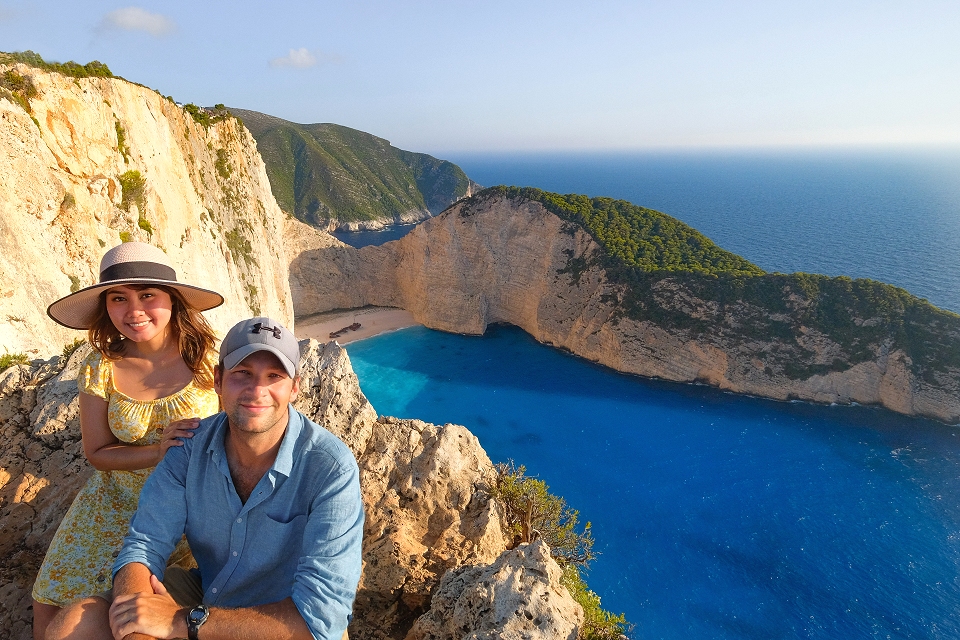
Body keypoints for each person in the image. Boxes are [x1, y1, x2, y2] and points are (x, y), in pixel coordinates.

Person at [46, 316, 364, 640]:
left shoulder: (329, 470)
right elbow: (144, 546)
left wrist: (184, 622)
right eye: (242, 374)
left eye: (274, 376)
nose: (257, 391)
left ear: (294, 387)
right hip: (207, 594)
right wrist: (137, 630)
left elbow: (321, 619)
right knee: (74, 624)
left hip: (282, 621)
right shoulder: (188, 449)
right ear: (218, 380)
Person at [32, 242, 224, 640]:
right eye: (119, 298)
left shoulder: (209, 361)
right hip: (110, 504)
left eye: (147, 295)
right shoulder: (100, 366)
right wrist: (158, 450)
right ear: (106, 307)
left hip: (182, 510)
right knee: (49, 603)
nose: (133, 311)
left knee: (130, 611)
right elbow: (97, 453)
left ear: (172, 300)